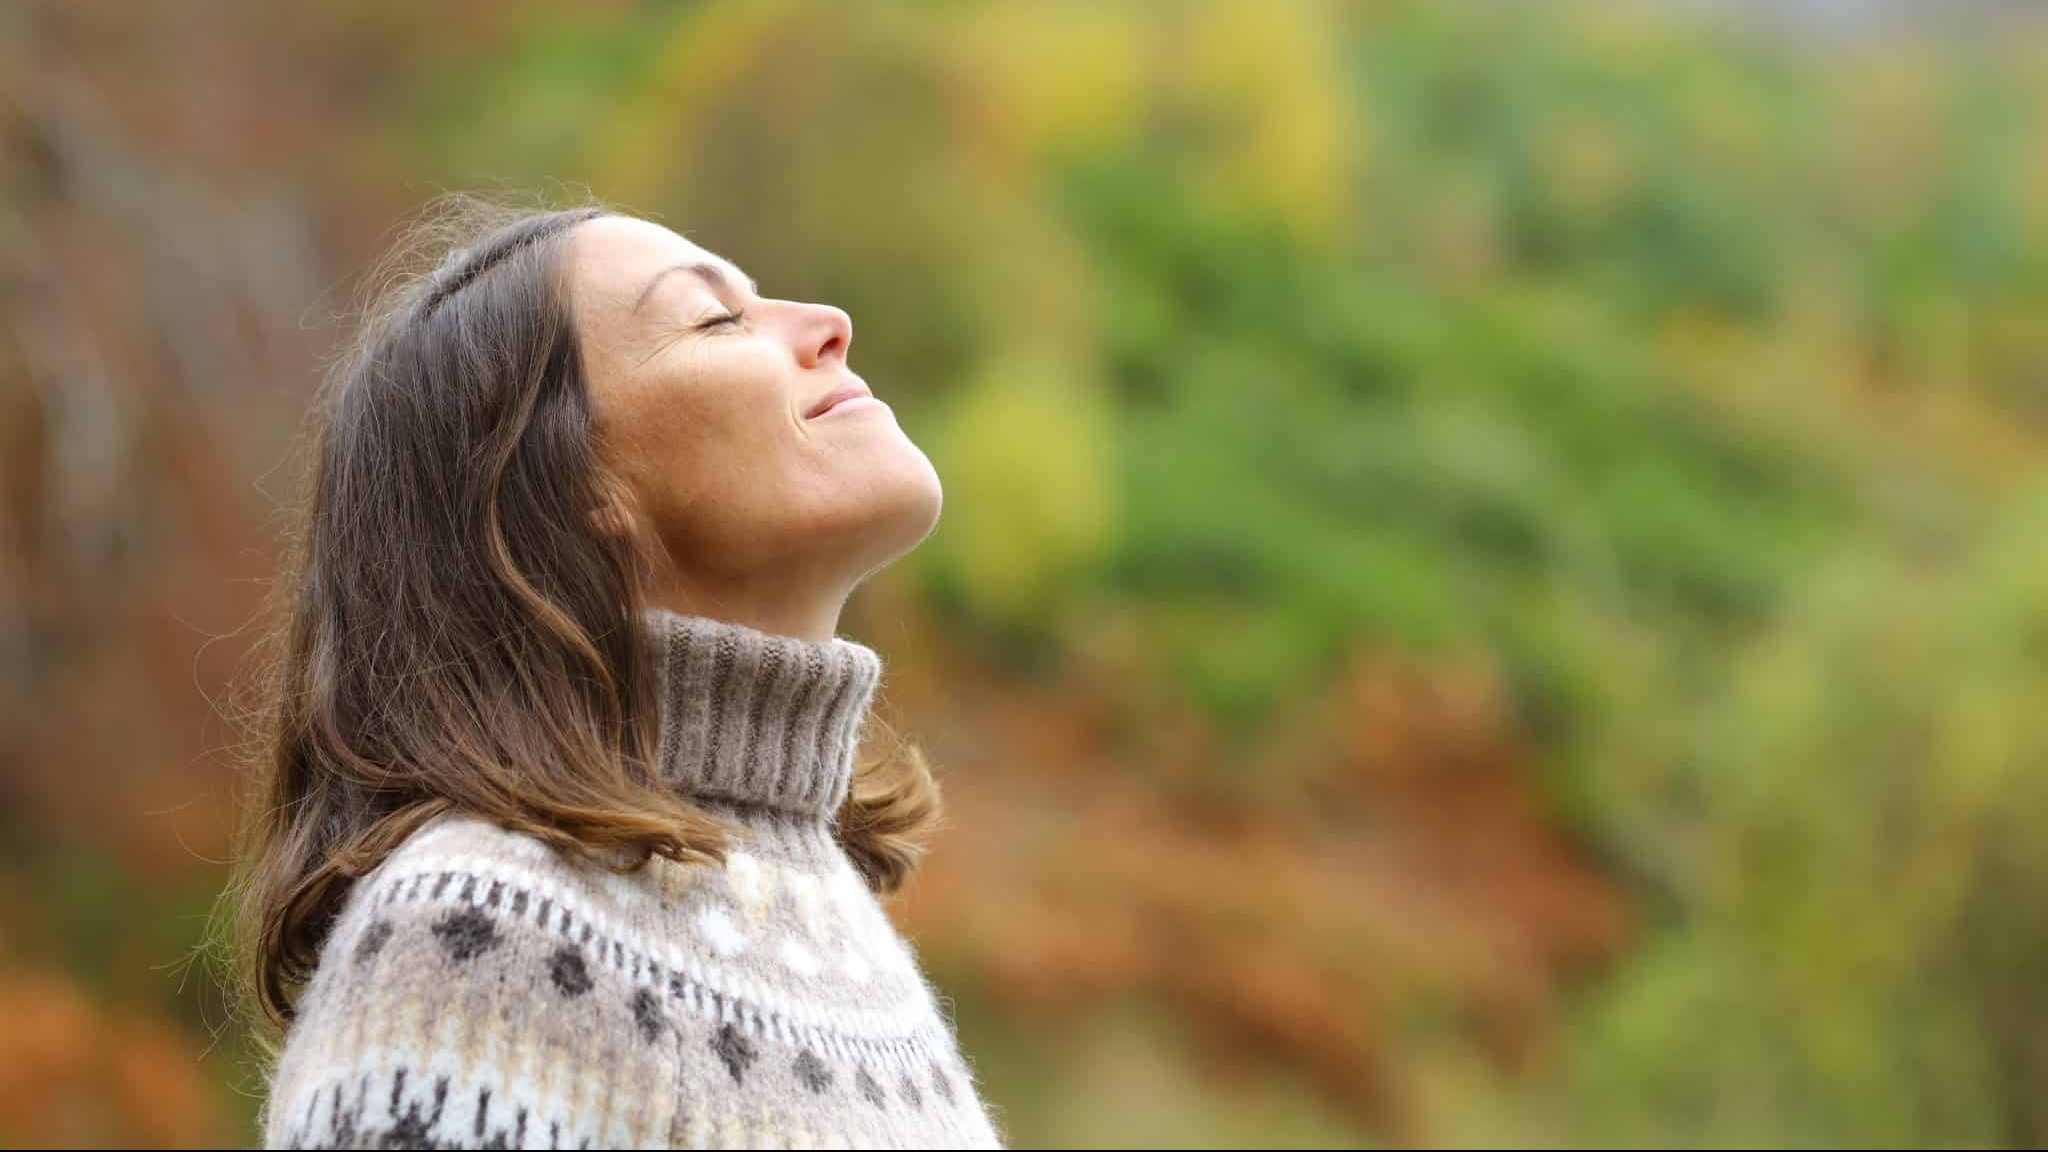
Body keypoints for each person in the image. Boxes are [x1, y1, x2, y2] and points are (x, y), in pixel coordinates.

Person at [222, 193, 1004, 1149]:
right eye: (718, 318)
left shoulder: (839, 928)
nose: (828, 324)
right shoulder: (483, 930)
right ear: (569, 485)